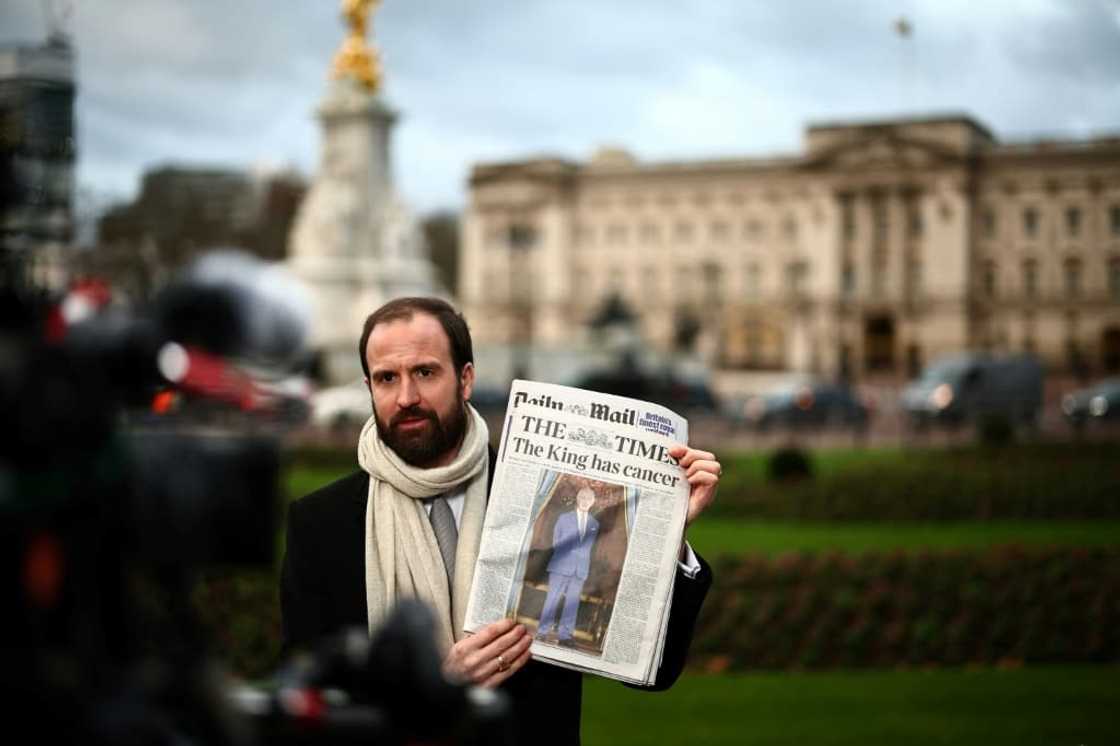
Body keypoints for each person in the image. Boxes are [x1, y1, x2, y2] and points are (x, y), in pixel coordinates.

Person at [281, 297, 719, 746]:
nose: (406, 397)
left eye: (425, 373)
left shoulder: (544, 503)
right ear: (369, 387)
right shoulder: (319, 523)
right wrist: (434, 684)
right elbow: (310, 699)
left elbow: (652, 672)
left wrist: (666, 531)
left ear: (466, 379)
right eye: (386, 378)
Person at [536, 486, 600, 647]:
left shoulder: (594, 524)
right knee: (552, 600)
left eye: (589, 499)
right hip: (560, 567)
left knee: (572, 603)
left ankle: (565, 636)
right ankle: (542, 632)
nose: (585, 501)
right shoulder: (564, 518)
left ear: (593, 502)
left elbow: (590, 548)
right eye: (583, 498)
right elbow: (556, 541)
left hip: (580, 570)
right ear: (578, 499)